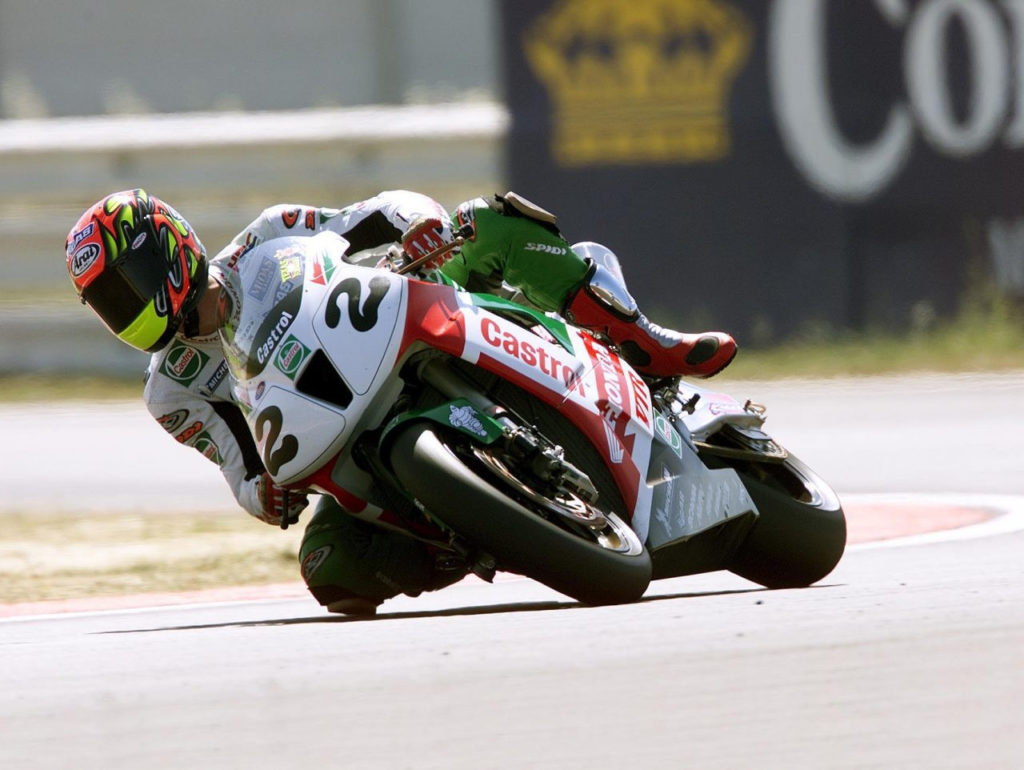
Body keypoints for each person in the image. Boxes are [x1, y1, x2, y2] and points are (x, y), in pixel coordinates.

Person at [65, 188, 736, 614]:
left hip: (389, 324)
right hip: (336, 436)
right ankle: (478, 529)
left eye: (129, 286)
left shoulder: (266, 235)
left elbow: (366, 219)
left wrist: (420, 225)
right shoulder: (170, 390)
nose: (126, 311)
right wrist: (263, 497)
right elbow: (237, 465)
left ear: (170, 248)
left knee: (485, 221)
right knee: (330, 570)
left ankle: (640, 341)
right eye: (110, 305)